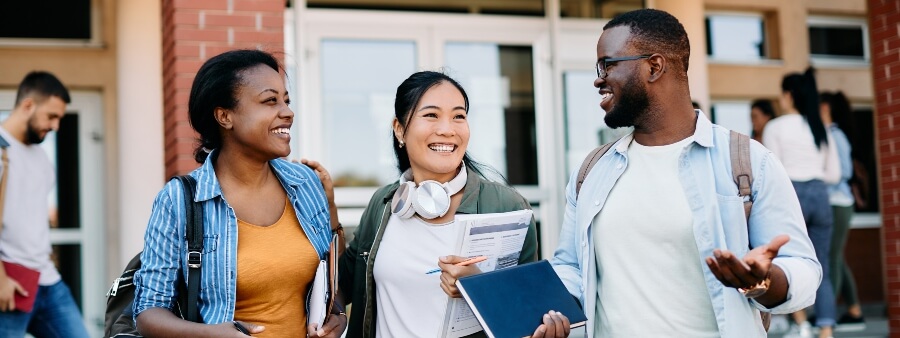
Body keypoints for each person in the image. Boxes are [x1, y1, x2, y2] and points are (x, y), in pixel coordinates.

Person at [549, 9, 821, 338]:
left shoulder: (748, 162)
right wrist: (548, 313)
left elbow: (803, 271)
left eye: (608, 64)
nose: (598, 78)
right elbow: (570, 268)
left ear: (654, 66)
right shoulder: (590, 171)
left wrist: (762, 281)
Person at [132, 49, 347, 338]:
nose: (287, 112)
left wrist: (338, 318)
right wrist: (212, 335)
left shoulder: (306, 183)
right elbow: (148, 312)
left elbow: (334, 282)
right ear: (225, 116)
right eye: (270, 101)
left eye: (286, 100)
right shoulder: (180, 200)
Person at [337, 71, 561, 338]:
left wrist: (481, 290)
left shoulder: (506, 205)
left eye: (459, 116)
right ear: (399, 129)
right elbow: (343, 284)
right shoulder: (383, 204)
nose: (447, 129)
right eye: (431, 115)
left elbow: (527, 312)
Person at [0, 71, 90, 338]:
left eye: (59, 118)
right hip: (10, 281)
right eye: (51, 116)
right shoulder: (2, 151)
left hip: (47, 281)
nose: (56, 126)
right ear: (28, 105)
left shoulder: (41, 159)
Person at [763, 68, 840, 338]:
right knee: (823, 265)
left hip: (792, 193)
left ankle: (803, 325)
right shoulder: (819, 127)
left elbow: (772, 171)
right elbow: (835, 174)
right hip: (821, 195)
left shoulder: (775, 127)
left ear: (787, 95)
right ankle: (827, 330)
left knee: (790, 260)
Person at [820, 91, 865, 330]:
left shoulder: (835, 135)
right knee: (837, 257)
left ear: (826, 108)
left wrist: (819, 180)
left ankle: (827, 318)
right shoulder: (830, 134)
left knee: (831, 257)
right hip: (834, 202)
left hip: (838, 202)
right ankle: (854, 310)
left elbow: (845, 172)